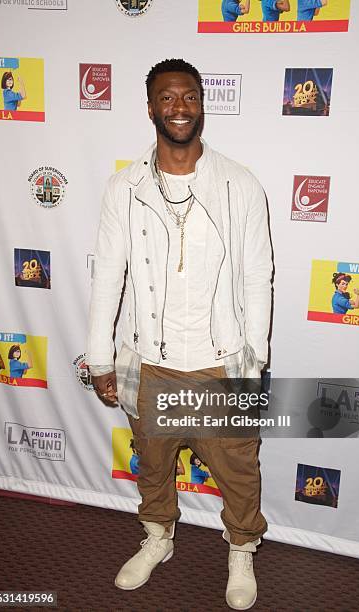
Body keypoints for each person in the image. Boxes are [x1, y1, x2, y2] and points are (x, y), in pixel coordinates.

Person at [87, 58, 273, 611]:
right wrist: (100, 358)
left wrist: (253, 365)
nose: (179, 107)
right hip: (148, 360)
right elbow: (107, 276)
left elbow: (257, 277)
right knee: (152, 464)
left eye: (189, 97)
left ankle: (241, 548)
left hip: (220, 363)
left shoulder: (240, 184)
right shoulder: (124, 187)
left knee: (238, 468)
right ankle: (158, 538)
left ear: (202, 105)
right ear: (150, 107)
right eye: (167, 98)